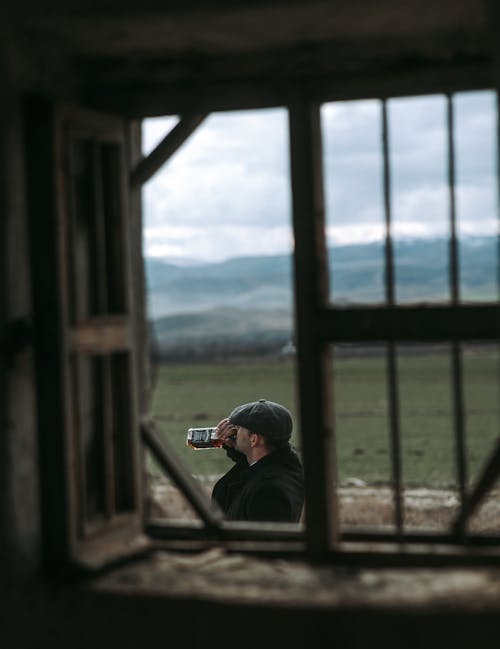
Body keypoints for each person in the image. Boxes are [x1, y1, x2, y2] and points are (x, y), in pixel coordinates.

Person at [211, 398, 304, 523]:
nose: (232, 432)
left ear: (254, 440)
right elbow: (256, 465)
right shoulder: (286, 464)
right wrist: (235, 447)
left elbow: (263, 540)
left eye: (237, 429)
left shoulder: (269, 493)